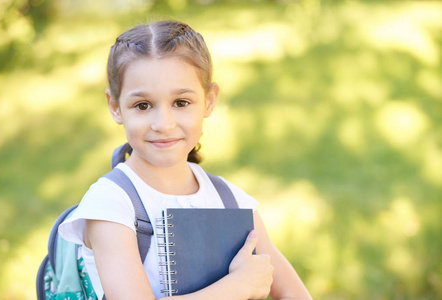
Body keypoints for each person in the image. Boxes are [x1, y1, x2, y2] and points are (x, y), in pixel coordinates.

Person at [59, 20, 312, 300]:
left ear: (209, 100)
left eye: (181, 103)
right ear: (115, 107)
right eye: (143, 105)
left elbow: (294, 293)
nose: (163, 124)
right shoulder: (110, 204)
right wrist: (238, 287)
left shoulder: (232, 202)